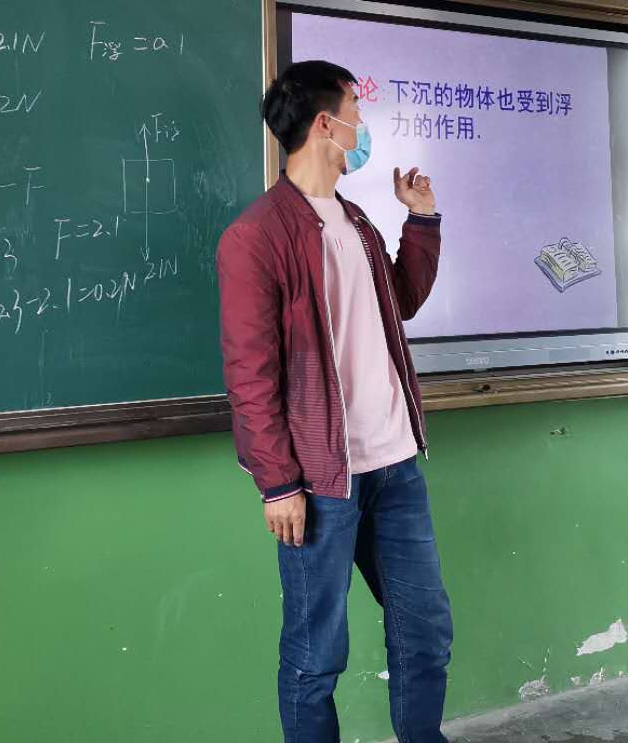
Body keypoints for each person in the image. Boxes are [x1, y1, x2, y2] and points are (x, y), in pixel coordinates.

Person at [216, 59, 453, 743]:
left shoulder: (355, 222)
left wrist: (422, 220)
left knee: (425, 632)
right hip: (320, 481)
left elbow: (400, 302)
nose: (361, 125)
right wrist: (277, 483)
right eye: (356, 111)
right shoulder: (256, 236)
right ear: (326, 124)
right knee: (316, 654)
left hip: (394, 466)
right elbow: (249, 373)